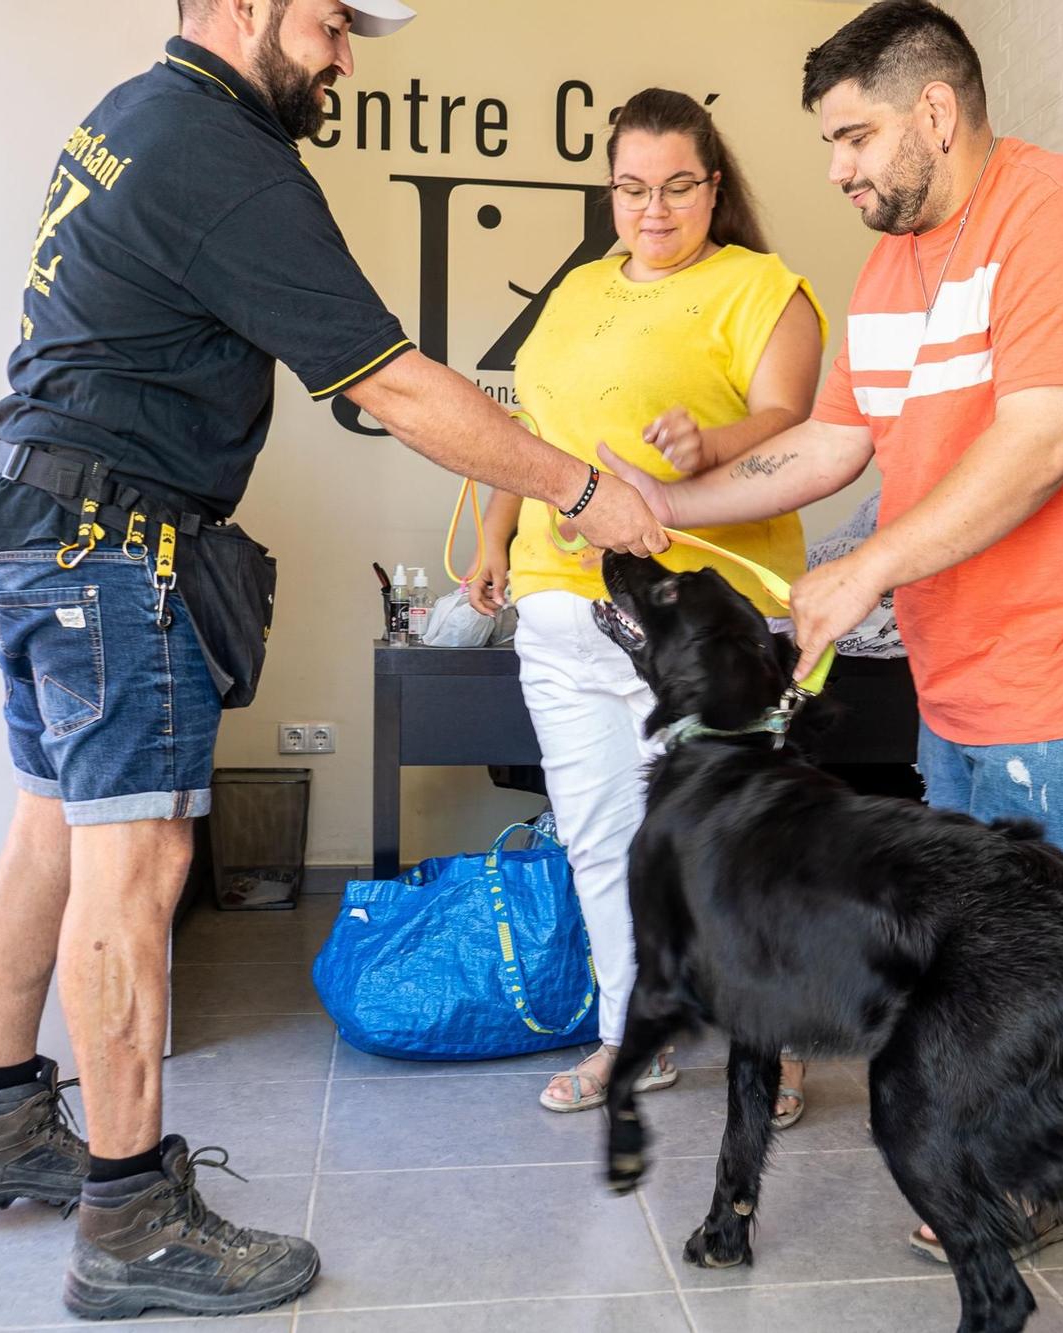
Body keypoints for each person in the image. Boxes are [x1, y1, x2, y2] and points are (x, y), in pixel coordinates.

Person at [0, 0, 666, 1321]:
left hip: (28, 520)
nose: (342, 58)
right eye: (332, 25)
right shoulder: (219, 147)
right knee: (137, 864)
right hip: (109, 545)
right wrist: (577, 486)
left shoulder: (126, 117)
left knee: (48, 827)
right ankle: (129, 1218)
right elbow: (388, 383)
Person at [599, 0, 1063, 1262]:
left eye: (852, 136)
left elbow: (1044, 440)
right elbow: (831, 447)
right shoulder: (892, 269)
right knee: (975, 950)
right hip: (965, 661)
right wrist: (668, 509)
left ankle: (1049, 1176)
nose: (834, 168)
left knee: (1048, 948)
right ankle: (1019, 1145)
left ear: (934, 114)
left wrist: (855, 577)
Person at [463, 89, 828, 1127]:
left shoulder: (762, 288)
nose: (653, 210)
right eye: (630, 188)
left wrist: (708, 446)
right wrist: (494, 537)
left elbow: (793, 426)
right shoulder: (575, 291)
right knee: (598, 834)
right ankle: (635, 1036)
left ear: (713, 187)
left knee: (733, 841)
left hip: (700, 615)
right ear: (607, 189)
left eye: (676, 187)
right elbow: (524, 433)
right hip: (561, 601)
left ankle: (776, 1041)